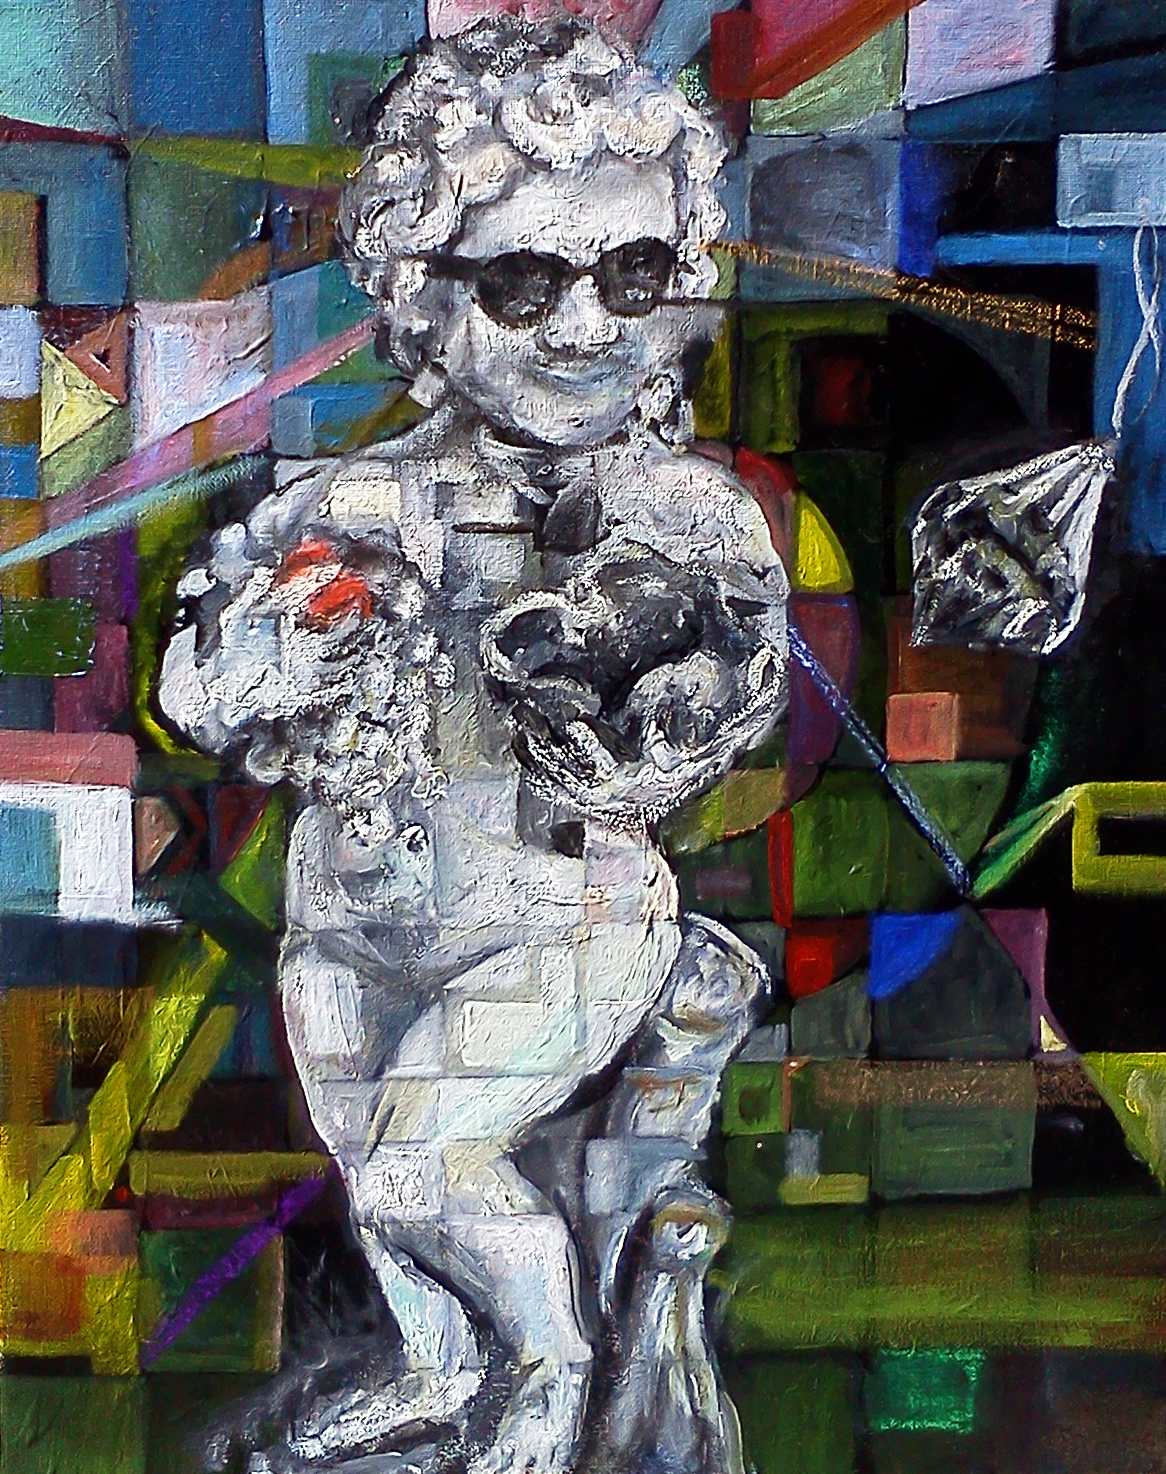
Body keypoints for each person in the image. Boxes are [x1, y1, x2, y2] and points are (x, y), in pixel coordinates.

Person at [158, 16, 789, 1473]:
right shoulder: (351, 500)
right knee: (380, 1184)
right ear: (421, 302)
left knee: (424, 1162)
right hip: (347, 925)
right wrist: (269, 648)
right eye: (523, 282)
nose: (582, 326)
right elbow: (202, 690)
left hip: (559, 919)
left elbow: (713, 721)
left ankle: (548, 1377)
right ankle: (441, 1367)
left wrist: (633, 685)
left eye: (632, 276)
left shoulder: (684, 517)